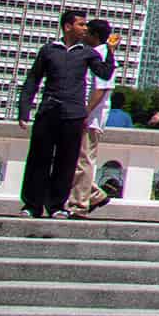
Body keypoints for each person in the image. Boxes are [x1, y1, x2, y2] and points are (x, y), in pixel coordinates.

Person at [16, 9, 105, 217]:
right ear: (68, 26)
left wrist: (109, 50)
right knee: (39, 160)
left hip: (73, 115)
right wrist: (24, 109)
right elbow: (33, 80)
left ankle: (56, 205)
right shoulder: (48, 50)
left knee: (66, 162)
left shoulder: (87, 53)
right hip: (48, 111)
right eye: (81, 24)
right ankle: (32, 205)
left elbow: (104, 72)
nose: (85, 28)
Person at [61, 19, 121, 217]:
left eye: (87, 33)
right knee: (76, 159)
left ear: (94, 36)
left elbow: (100, 89)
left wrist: (84, 113)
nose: (84, 35)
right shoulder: (98, 53)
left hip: (91, 118)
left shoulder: (102, 54)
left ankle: (79, 204)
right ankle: (94, 194)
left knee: (83, 161)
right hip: (89, 116)